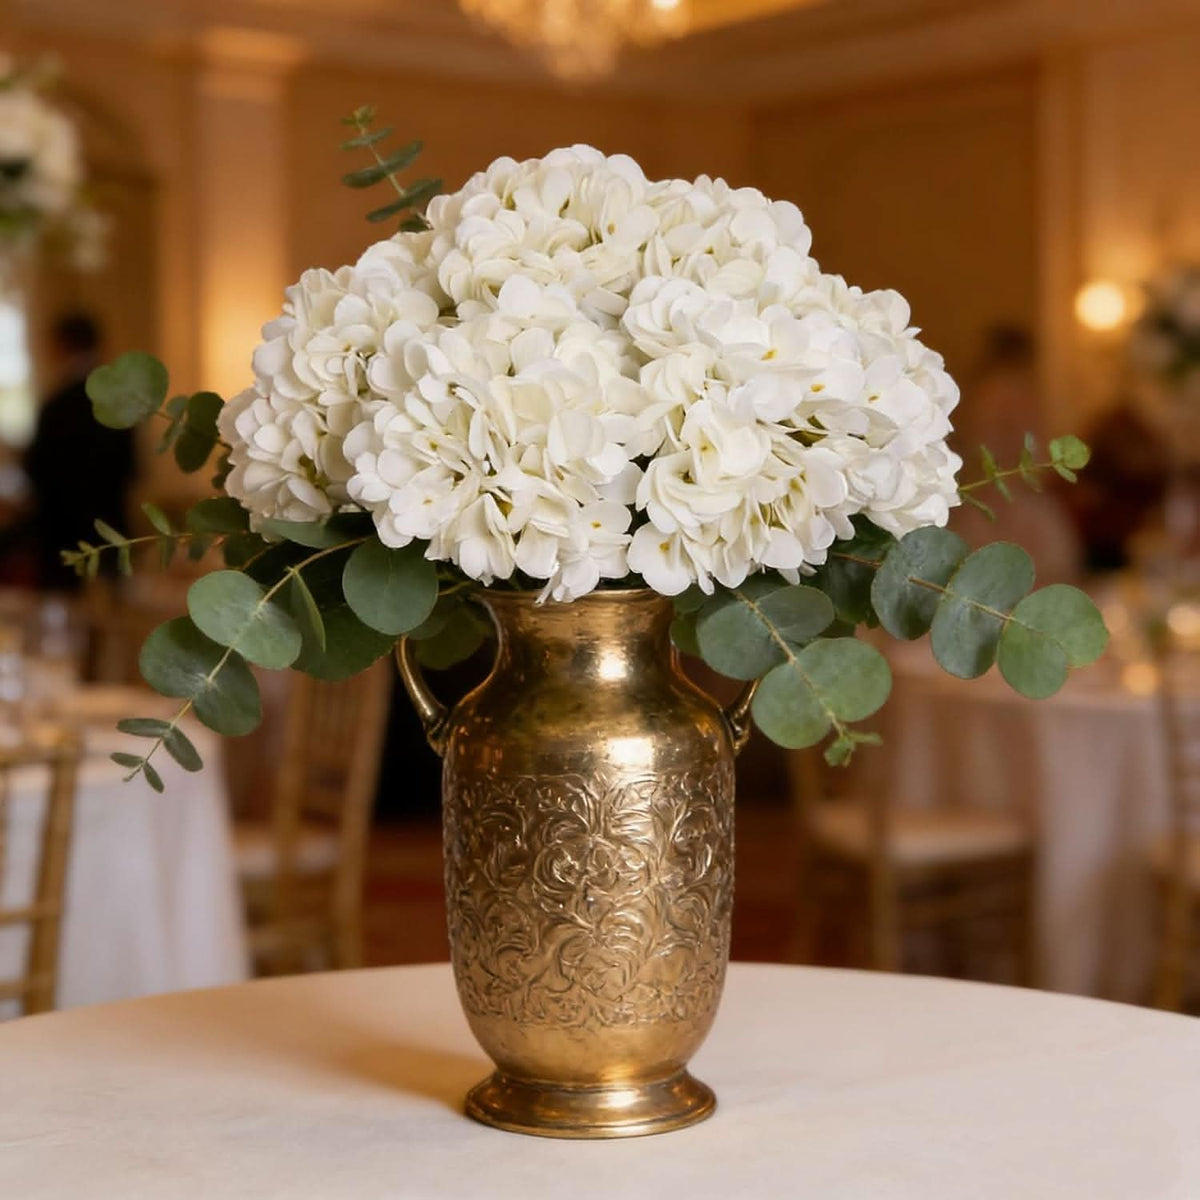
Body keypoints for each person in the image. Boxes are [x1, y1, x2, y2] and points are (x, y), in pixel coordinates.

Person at [24, 312, 137, 590]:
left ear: (62, 345)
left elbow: (39, 467)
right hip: (110, 523)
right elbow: (131, 467)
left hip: (63, 528)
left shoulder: (57, 404)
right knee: (110, 604)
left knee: (66, 605)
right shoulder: (120, 400)